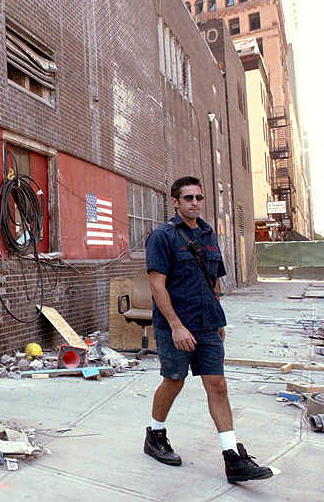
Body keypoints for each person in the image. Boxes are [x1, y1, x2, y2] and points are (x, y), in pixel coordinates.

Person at [143, 176, 273, 483]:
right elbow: (157, 285)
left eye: (198, 198)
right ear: (175, 202)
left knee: (217, 385)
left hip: (206, 325)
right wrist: (176, 327)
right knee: (174, 381)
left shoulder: (208, 234)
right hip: (175, 325)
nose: (195, 203)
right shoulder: (162, 237)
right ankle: (155, 434)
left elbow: (213, 282)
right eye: (188, 198)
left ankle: (232, 458)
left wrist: (218, 320)